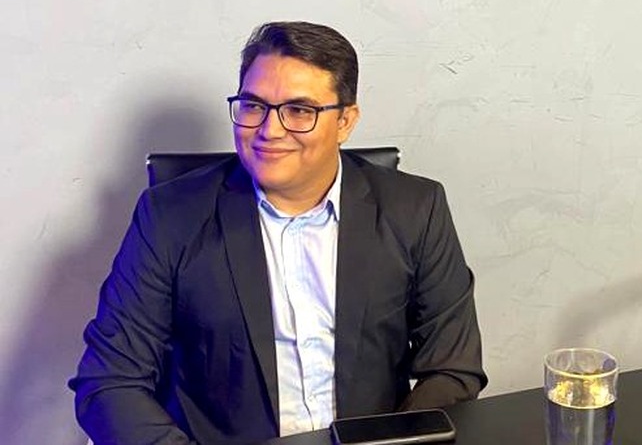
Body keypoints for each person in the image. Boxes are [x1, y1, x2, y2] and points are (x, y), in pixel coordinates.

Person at [70, 22, 487, 444]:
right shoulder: (170, 217)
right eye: (254, 106)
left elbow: (452, 368)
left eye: (300, 111)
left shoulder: (415, 209)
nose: (270, 130)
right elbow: (109, 382)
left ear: (345, 121)